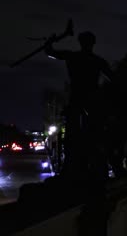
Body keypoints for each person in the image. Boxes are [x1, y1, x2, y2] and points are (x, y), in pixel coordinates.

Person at [45, 31, 114, 181]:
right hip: (90, 100)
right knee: (92, 133)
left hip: (79, 98)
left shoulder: (73, 56)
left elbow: (50, 52)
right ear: (92, 43)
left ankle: (75, 166)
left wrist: (49, 42)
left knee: (74, 134)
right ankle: (91, 165)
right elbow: (113, 77)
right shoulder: (98, 61)